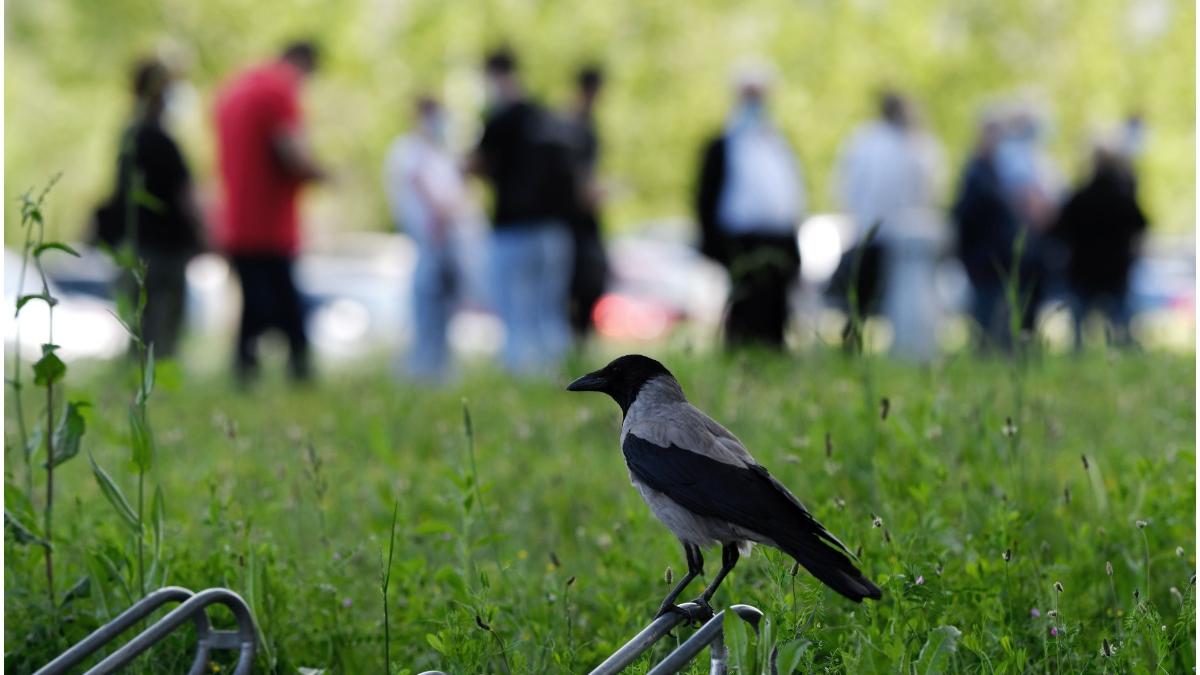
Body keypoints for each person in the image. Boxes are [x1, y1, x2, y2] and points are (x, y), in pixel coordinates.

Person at [215, 41, 327, 383]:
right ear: (303, 64)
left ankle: (245, 371)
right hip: (271, 224)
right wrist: (322, 173)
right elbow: (291, 153)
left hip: (236, 221)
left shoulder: (231, 90)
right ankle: (298, 372)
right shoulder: (279, 90)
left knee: (253, 303)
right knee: (285, 306)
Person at [470, 48, 575, 375]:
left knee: (515, 313)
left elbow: (478, 163)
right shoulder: (547, 118)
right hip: (555, 230)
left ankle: (522, 376)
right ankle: (561, 376)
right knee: (549, 311)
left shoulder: (501, 119)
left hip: (513, 228)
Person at [94, 57, 204, 358]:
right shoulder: (158, 139)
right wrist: (207, 232)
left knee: (141, 326)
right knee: (160, 325)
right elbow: (186, 195)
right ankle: (151, 386)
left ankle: (142, 383)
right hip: (162, 249)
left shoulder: (129, 135)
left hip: (139, 243)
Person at [695, 61, 804, 349]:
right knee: (746, 307)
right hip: (741, 239)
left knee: (775, 311)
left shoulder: (778, 144)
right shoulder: (723, 144)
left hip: (777, 238)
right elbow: (706, 196)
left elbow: (790, 198)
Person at [831, 91, 945, 360]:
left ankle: (881, 346)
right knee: (863, 296)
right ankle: (853, 347)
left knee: (885, 297)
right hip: (876, 231)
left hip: (899, 237)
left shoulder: (907, 143)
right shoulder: (873, 141)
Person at [384, 96, 468, 381]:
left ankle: (438, 366)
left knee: (443, 305)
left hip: (445, 242)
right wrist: (442, 215)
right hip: (430, 240)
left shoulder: (439, 153)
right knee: (427, 303)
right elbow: (423, 187)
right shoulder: (409, 150)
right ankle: (422, 367)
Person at [1049, 143, 1147, 349]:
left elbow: (1057, 231)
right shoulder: (1123, 198)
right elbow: (1141, 226)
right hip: (1115, 270)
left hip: (1083, 270)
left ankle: (1077, 357)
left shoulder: (1080, 197)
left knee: (1078, 326)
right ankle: (1125, 353)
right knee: (1121, 324)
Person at [951, 114, 1034, 349]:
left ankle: (994, 355)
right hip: (985, 257)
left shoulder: (993, 173)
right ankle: (987, 356)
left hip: (994, 256)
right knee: (987, 314)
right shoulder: (979, 175)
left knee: (999, 313)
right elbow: (966, 216)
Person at [563, 65, 610, 339]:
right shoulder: (577, 128)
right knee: (583, 286)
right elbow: (582, 186)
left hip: (580, 227)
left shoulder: (580, 125)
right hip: (575, 227)